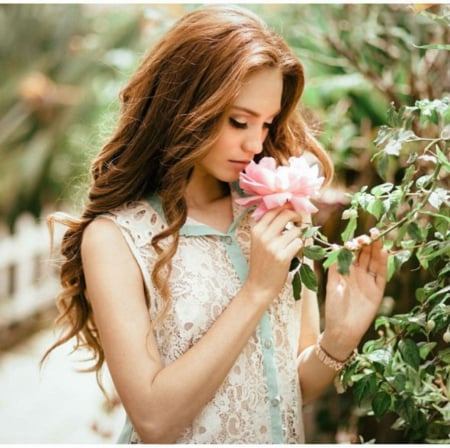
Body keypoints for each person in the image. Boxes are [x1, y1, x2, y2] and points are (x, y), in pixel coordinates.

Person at [44, 5, 388, 444]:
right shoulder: (116, 239)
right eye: (238, 121)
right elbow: (153, 420)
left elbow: (289, 388)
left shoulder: (273, 210)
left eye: (267, 123)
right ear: (185, 104)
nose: (255, 142)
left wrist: (339, 337)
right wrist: (257, 291)